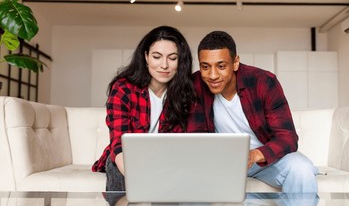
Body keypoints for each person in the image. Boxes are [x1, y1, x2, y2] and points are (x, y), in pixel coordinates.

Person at [187, 31, 319, 193]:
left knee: (302, 169)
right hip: (222, 164)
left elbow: (287, 137)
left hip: (266, 160)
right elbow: (196, 137)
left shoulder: (263, 82)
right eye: (205, 67)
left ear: (235, 62)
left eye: (221, 66)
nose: (212, 75)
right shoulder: (195, 85)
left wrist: (254, 155)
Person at [92, 26, 195, 191]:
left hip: (166, 160)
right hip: (127, 157)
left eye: (172, 58)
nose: (164, 65)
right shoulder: (123, 88)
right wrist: (142, 180)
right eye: (157, 57)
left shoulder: (186, 93)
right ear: (146, 56)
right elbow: (119, 144)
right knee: (117, 168)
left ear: (181, 61)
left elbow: (183, 147)